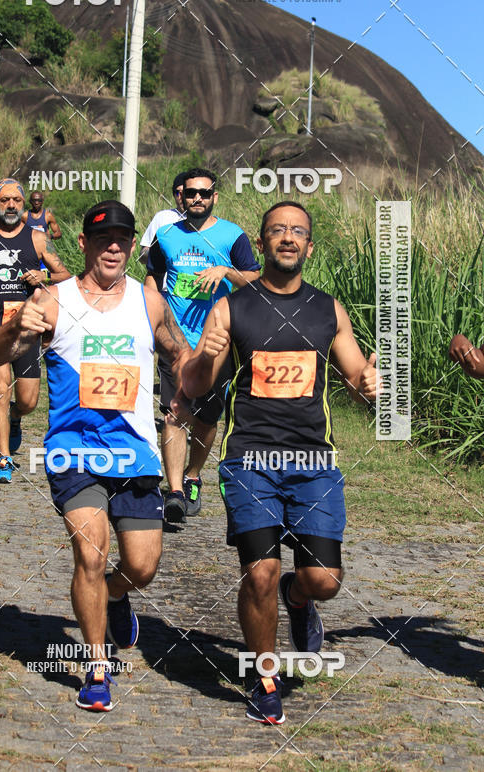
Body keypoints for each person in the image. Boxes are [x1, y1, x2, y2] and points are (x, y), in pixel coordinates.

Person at [180, 201, 381, 724]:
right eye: (277, 230)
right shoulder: (232, 308)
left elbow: (356, 379)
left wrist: (369, 385)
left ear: (309, 246)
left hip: (313, 463)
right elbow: (195, 386)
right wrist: (206, 355)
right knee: (260, 572)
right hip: (250, 461)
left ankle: (298, 597)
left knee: (325, 580)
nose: (287, 238)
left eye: (297, 231)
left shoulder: (328, 309)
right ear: (262, 242)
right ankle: (264, 677)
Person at [0, 200, 191, 712]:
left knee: (142, 566)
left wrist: (203, 373)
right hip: (74, 452)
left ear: (131, 245)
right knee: (91, 553)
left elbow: (180, 355)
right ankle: (97, 667)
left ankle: (117, 594)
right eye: (103, 239)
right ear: (83, 244)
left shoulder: (148, 301)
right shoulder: (52, 300)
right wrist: (15, 327)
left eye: (122, 239)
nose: (113, 248)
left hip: (136, 454)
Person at [145, 168, 260, 522]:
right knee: (175, 414)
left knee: (207, 419)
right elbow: (152, 277)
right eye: (191, 193)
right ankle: (175, 492)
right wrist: (154, 316)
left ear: (214, 197)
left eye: (204, 193)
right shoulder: (166, 235)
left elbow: (255, 280)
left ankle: (193, 475)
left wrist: (225, 272)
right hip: (176, 341)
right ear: (182, 196)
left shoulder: (232, 236)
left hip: (218, 342)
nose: (197, 198)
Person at [0, 178, 70, 482]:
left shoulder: (37, 238)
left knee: (28, 401)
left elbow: (66, 275)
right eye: (4, 200)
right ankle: (4, 458)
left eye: (16, 200)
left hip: (27, 326)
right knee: (0, 387)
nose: (11, 205)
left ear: (23, 205)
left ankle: (15, 416)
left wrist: (44, 275)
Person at [138, 171, 186, 267]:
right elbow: (142, 256)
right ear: (174, 195)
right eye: (178, 193)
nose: (181, 197)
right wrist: (159, 252)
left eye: (186, 192)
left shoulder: (204, 220)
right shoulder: (162, 217)